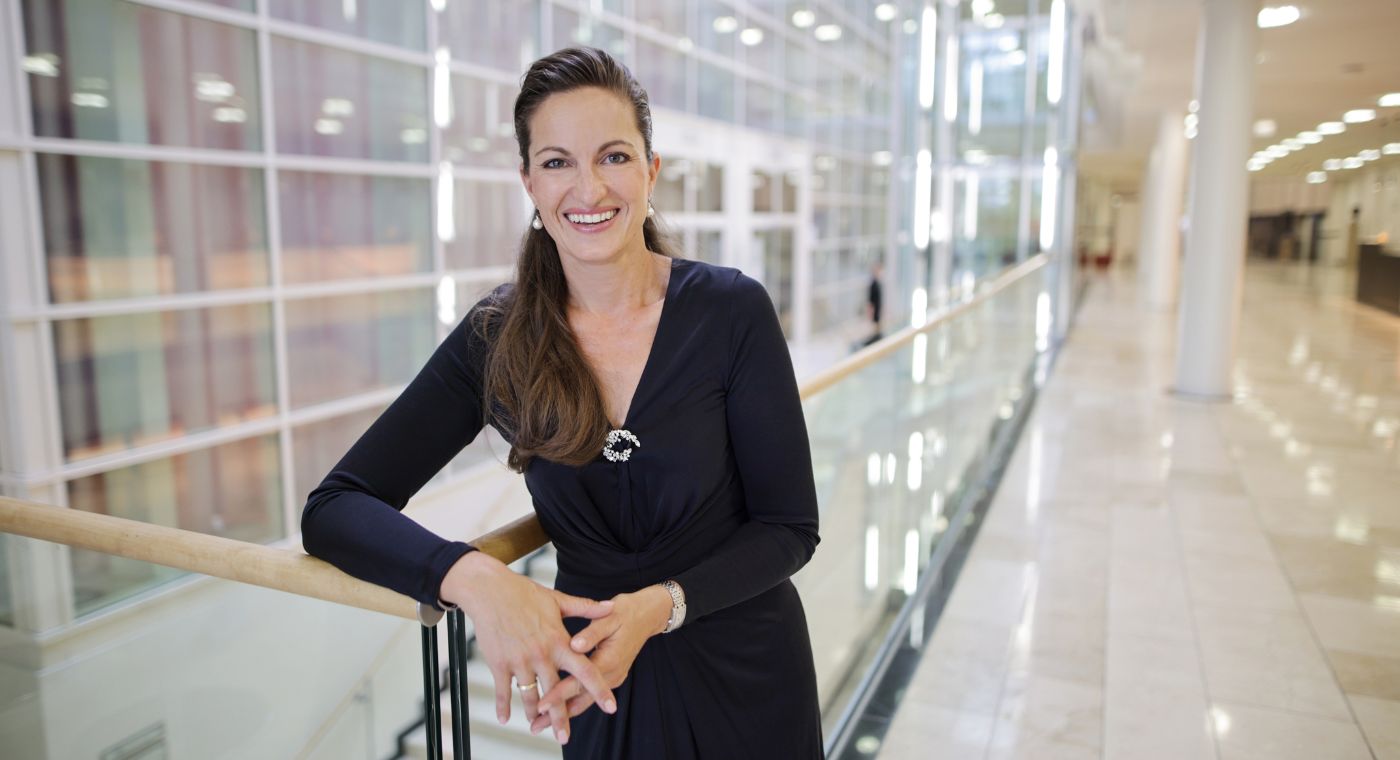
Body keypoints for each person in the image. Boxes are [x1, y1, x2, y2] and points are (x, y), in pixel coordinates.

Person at [300, 47, 824, 759]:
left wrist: (660, 607)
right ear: (528, 183)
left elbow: (789, 527)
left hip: (749, 673)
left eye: (613, 156)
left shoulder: (731, 311)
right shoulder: (498, 338)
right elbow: (335, 508)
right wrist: (477, 579)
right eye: (556, 162)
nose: (589, 188)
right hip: (599, 685)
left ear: (650, 171)